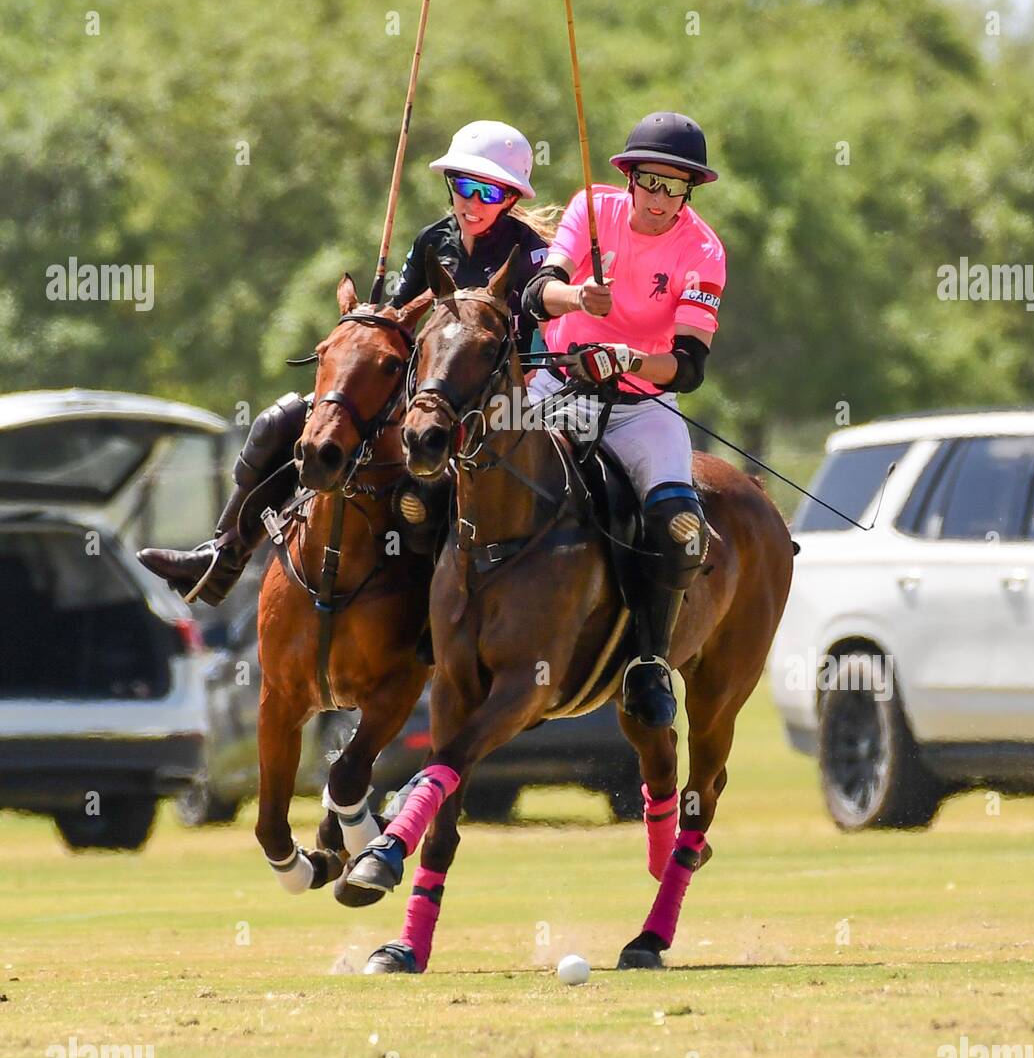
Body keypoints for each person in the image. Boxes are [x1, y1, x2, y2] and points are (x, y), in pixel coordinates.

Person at [138, 120, 553, 605]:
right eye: (463, 185)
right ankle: (223, 555)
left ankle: (439, 615)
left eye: (487, 190)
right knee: (283, 422)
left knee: (422, 501)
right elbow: (400, 321)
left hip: (496, 398)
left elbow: (541, 345)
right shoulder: (432, 241)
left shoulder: (533, 254)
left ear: (511, 197)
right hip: (421, 387)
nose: (472, 201)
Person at [521, 112, 726, 730]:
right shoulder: (591, 208)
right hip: (557, 388)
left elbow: (688, 365)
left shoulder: (703, 249)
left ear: (690, 190)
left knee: (679, 525)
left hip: (642, 408)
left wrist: (633, 358)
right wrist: (578, 298)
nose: (662, 201)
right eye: (652, 184)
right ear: (630, 178)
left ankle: (649, 663)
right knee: (474, 474)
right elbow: (539, 291)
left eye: (677, 188)